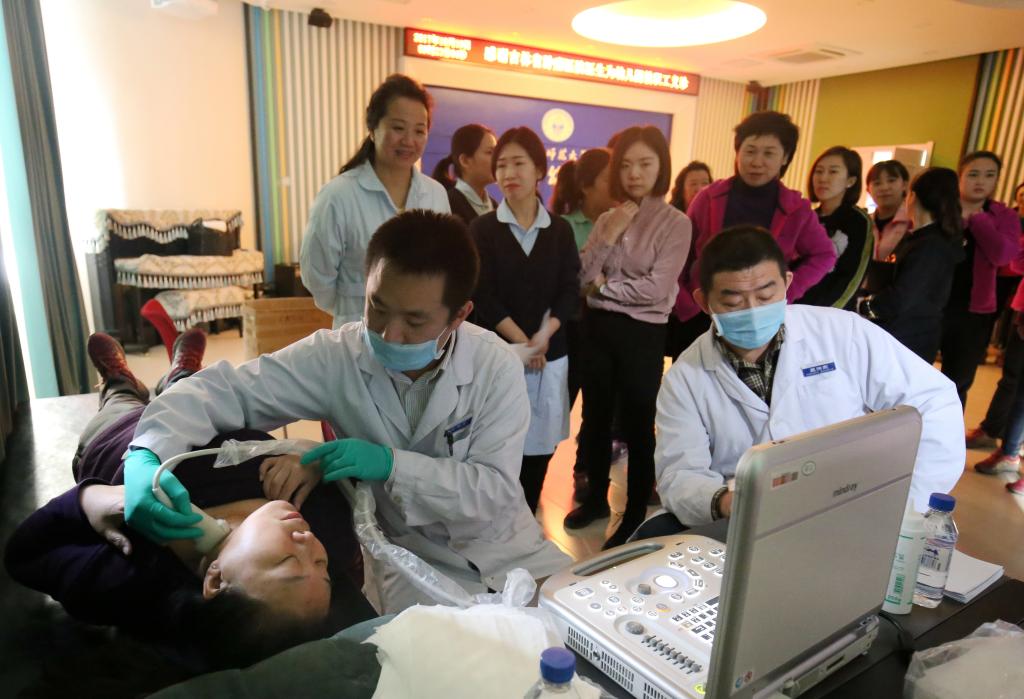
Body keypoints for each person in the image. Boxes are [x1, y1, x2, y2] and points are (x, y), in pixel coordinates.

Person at [124, 210, 571, 613]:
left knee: (572, 635)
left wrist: (390, 465)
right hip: (412, 561)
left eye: (415, 321)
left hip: (511, 551)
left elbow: (492, 490)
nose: (389, 334)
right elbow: (223, 392)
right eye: (377, 307)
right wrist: (144, 454)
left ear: (459, 316)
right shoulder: (336, 357)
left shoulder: (494, 367)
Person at [4, 330, 375, 692]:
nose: (308, 542)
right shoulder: (320, 520)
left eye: (287, 560)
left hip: (117, 435)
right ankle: (183, 370)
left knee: (119, 401)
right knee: (191, 388)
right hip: (211, 414)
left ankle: (118, 379)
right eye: (322, 567)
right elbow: (360, 477)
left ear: (216, 578)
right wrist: (313, 460)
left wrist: (94, 499)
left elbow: (25, 553)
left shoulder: (133, 569)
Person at [650, 227, 964, 533]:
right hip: (746, 522)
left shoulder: (841, 332)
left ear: (787, 284)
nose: (753, 311)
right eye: (733, 303)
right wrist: (728, 503)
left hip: (850, 505)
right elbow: (679, 475)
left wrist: (902, 504)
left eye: (765, 295)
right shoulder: (685, 378)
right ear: (704, 302)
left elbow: (934, 401)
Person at [563, 125, 691, 550]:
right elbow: (581, 276)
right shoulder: (607, 218)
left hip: (643, 334)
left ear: (661, 167)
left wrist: (603, 289)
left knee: (638, 423)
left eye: (645, 164)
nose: (635, 173)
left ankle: (635, 510)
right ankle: (596, 499)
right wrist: (607, 238)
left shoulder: (676, 223)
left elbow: (656, 289)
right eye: (627, 165)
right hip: (598, 329)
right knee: (595, 417)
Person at [470, 127, 580, 513]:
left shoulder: (560, 230)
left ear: (539, 170)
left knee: (541, 445)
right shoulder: (483, 229)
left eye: (518, 163)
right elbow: (482, 293)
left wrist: (544, 336)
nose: (508, 173)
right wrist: (522, 342)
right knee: (500, 443)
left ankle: (527, 515)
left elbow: (569, 289)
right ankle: (496, 519)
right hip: (501, 353)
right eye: (501, 165)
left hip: (550, 354)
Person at [671, 111, 835, 361]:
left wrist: (783, 294)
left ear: (785, 157)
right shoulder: (708, 198)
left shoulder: (796, 208)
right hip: (704, 314)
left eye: (769, 153)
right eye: (750, 151)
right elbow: (679, 253)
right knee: (695, 379)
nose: (757, 162)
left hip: (760, 320)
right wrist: (687, 302)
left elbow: (824, 255)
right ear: (737, 152)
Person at [300, 74, 450, 328]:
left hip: (420, 333)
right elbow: (317, 276)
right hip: (357, 329)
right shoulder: (338, 195)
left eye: (419, 131)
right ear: (373, 129)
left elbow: (443, 265)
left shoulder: (435, 194)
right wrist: (350, 308)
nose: (409, 141)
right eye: (398, 128)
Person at [549, 148, 616, 501]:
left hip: (609, 327)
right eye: (608, 178)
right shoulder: (564, 226)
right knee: (560, 404)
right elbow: (570, 282)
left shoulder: (624, 223)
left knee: (600, 408)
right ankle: (533, 471)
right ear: (587, 186)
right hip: (573, 329)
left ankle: (584, 471)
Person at [938, 151, 1021, 409]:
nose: (980, 181)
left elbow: (1003, 255)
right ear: (960, 178)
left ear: (996, 180)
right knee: (915, 373)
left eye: (989, 175)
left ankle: (946, 430)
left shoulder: (1003, 215)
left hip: (974, 312)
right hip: (932, 304)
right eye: (973, 174)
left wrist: (977, 219)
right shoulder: (942, 209)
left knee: (958, 382)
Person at [857, 168, 965, 361]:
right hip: (903, 333)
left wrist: (863, 306)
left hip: (908, 338)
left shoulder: (931, 244)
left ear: (912, 197)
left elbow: (902, 295)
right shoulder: (919, 238)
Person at [799, 146, 873, 309]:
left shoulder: (858, 220)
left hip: (831, 312)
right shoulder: (807, 217)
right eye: (819, 171)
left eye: (833, 172)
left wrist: (828, 312)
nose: (823, 178)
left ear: (850, 181)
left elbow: (853, 276)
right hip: (796, 307)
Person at [431, 123, 498, 225]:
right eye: (489, 152)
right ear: (465, 161)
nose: (498, 159)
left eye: (497, 152)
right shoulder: (447, 205)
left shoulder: (495, 206)